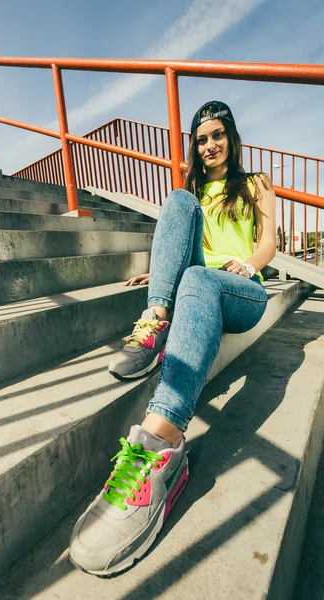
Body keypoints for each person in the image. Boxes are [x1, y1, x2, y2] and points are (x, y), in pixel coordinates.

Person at [69, 101, 277, 575]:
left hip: (241, 290)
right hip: (194, 286)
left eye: (217, 135)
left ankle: (163, 441)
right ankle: (157, 316)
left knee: (202, 279)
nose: (210, 146)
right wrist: (158, 277)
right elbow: (182, 247)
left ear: (232, 137)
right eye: (201, 139)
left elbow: (268, 241)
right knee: (178, 203)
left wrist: (252, 265)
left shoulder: (256, 184)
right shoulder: (195, 193)